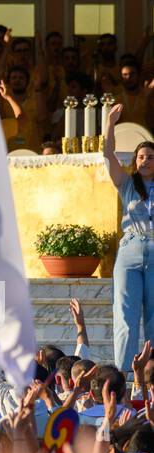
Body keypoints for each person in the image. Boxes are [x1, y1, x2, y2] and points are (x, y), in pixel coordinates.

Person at [105, 103, 154, 370]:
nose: (145, 161)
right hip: (130, 249)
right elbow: (108, 155)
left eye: (150, 157)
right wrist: (110, 124)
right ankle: (122, 375)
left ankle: (151, 377)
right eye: (141, 157)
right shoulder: (126, 184)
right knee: (125, 314)